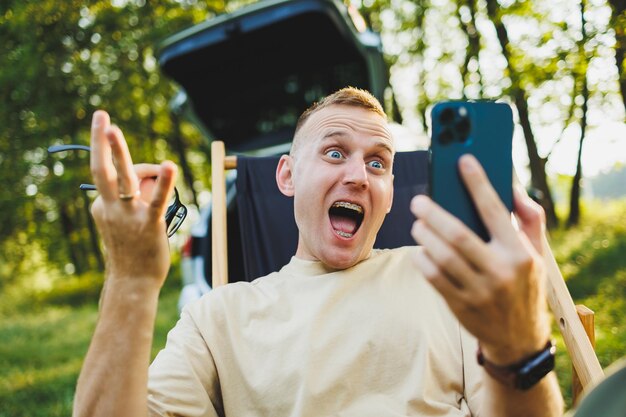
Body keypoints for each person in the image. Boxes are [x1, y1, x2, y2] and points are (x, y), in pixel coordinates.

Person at [73, 87, 563, 416]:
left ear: (390, 190)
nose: (357, 175)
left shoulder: (449, 278)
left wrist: (518, 345)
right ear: (286, 175)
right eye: (334, 152)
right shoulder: (217, 318)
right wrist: (130, 281)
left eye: (377, 163)